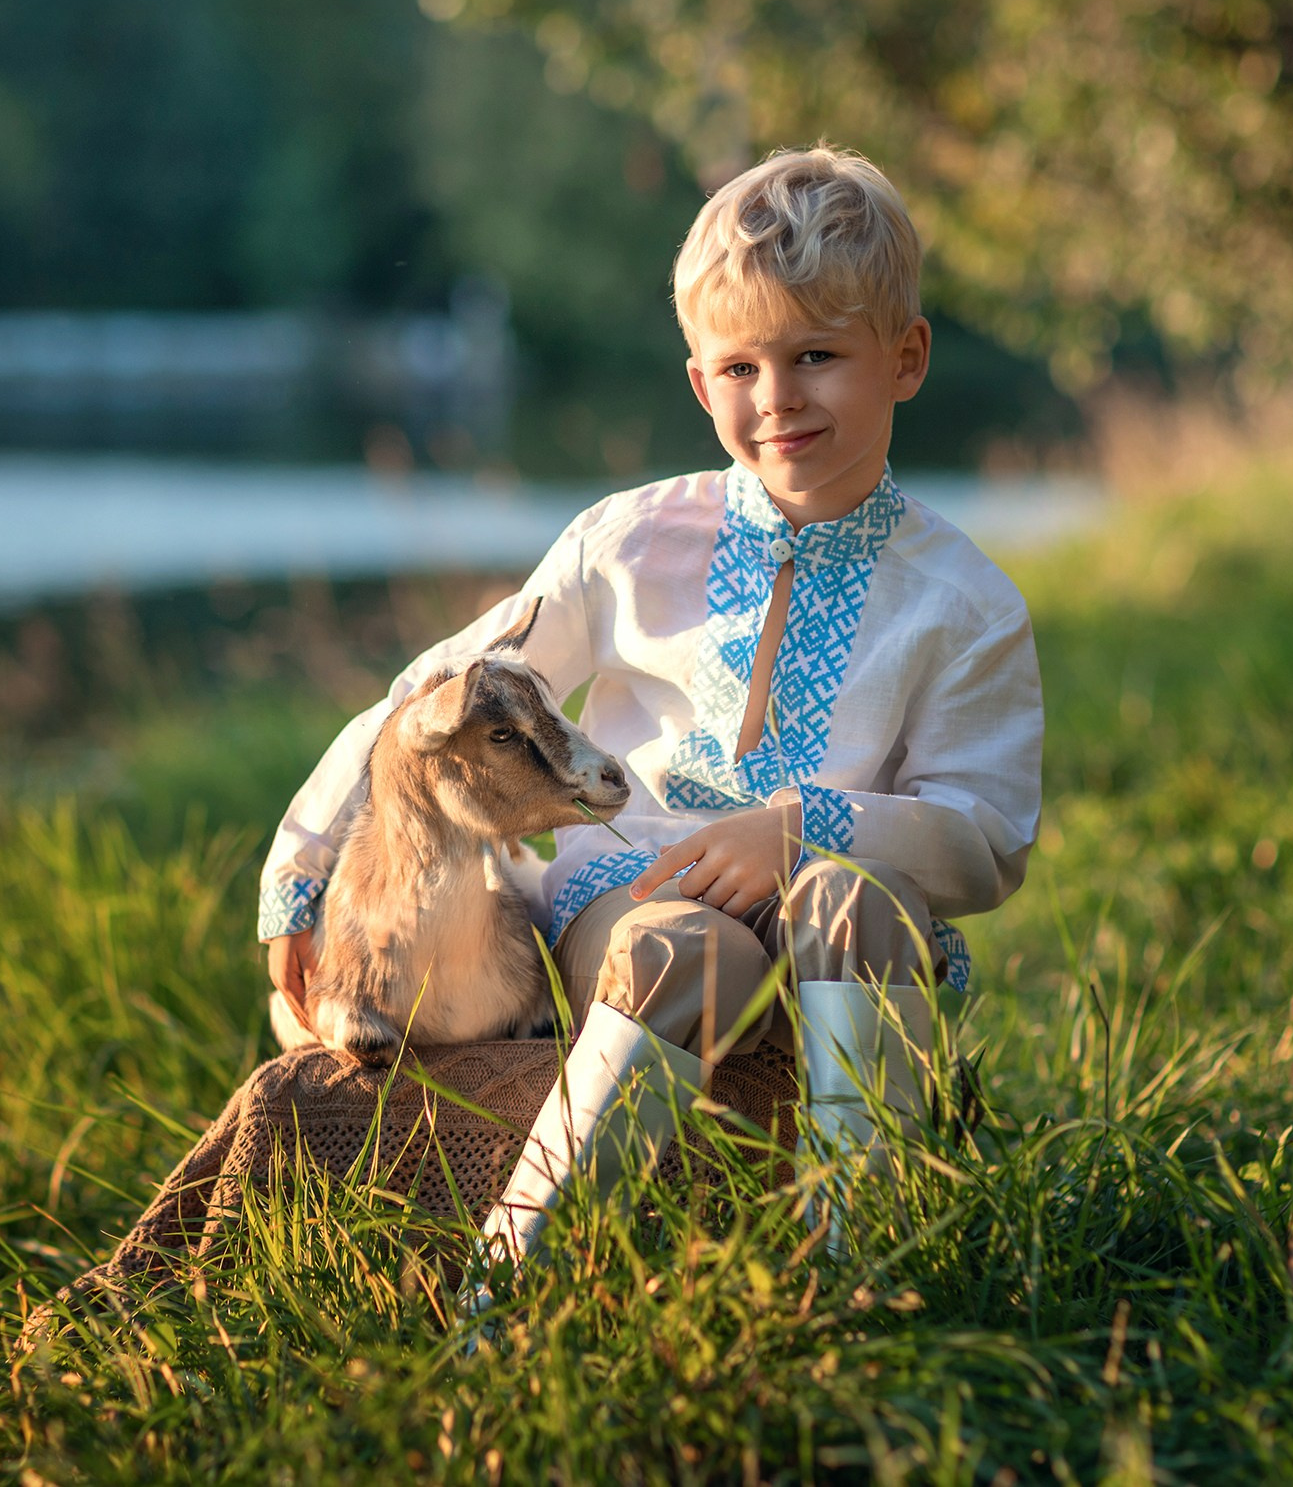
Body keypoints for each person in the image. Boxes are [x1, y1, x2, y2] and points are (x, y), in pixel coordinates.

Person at [260, 145, 1043, 1267]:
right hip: (632, 895)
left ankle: (865, 1260)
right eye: (739, 367)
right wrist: (300, 867)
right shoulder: (628, 541)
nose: (776, 398)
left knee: (854, 904)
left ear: (904, 357)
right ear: (697, 382)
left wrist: (804, 827)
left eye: (816, 355)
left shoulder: (964, 601)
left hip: (830, 908)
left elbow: (984, 842)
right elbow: (430, 701)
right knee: (686, 953)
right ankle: (512, 1279)